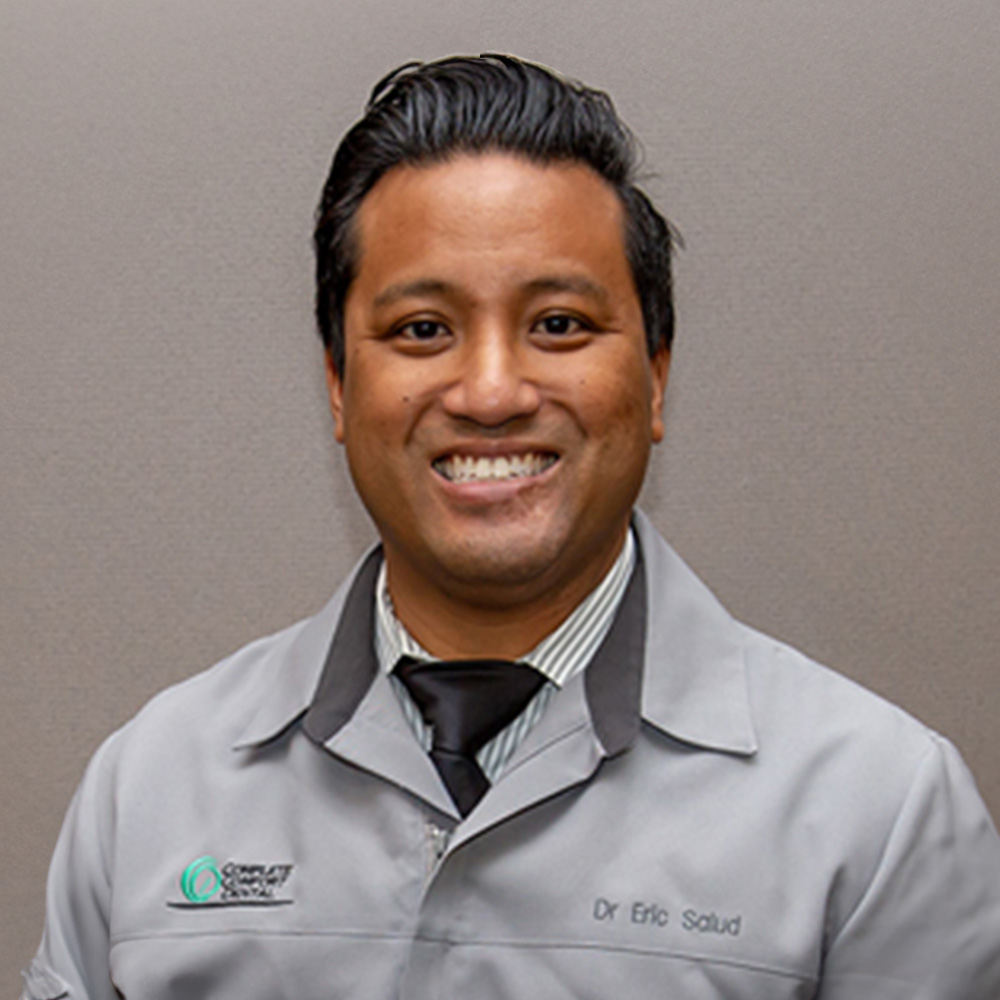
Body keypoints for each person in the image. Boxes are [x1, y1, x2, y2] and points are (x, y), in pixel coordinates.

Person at [21, 54, 1000, 1000]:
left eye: (560, 325)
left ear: (655, 376)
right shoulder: (149, 786)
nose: (490, 392)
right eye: (421, 331)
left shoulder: (878, 812)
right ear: (336, 383)